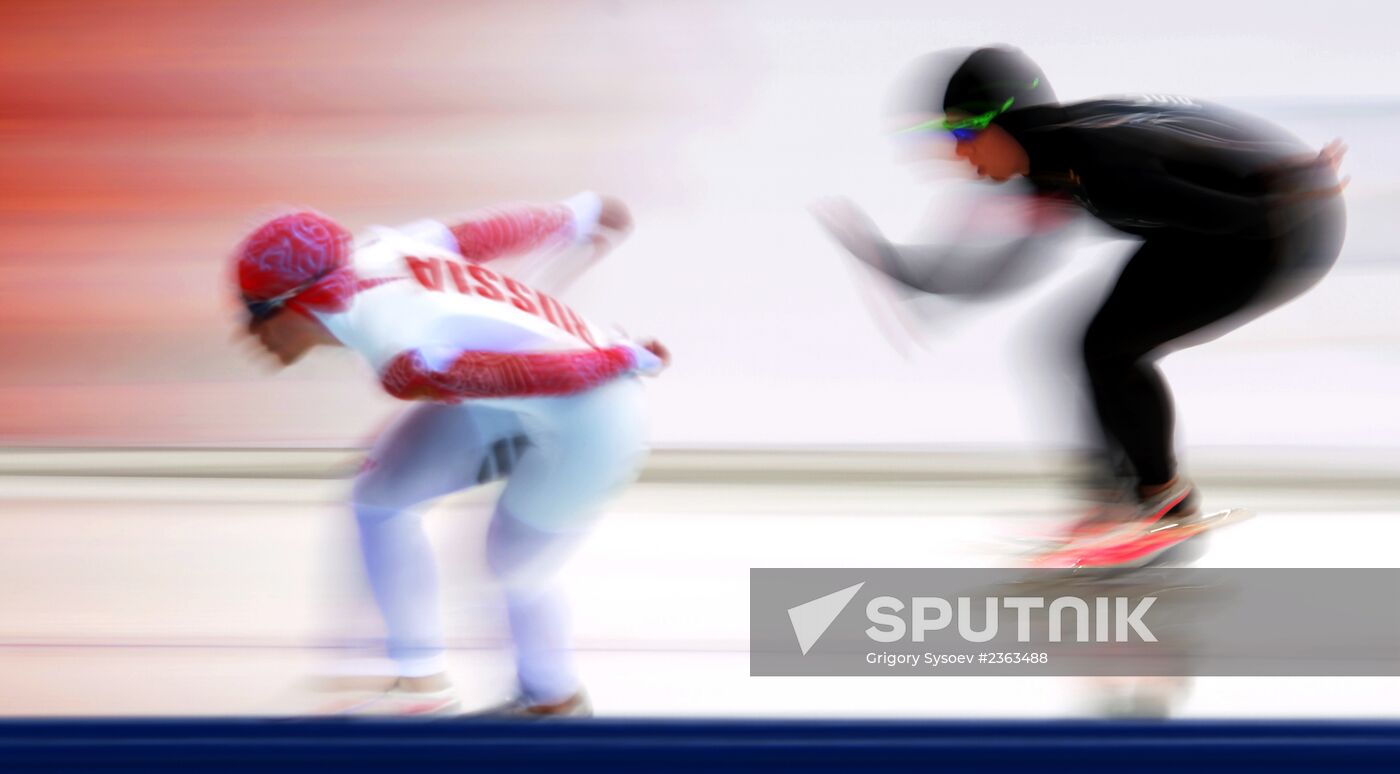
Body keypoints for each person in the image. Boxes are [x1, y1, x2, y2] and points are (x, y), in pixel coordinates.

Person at [813, 45, 1347, 566]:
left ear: (1005, 123)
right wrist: (905, 273)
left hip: (1279, 232)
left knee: (1108, 348)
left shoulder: (1102, 166)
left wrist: (1296, 192)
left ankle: (1157, 504)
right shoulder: (1052, 162)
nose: (955, 153)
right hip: (1223, 225)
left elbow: (1235, 217)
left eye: (960, 133)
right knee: (1093, 346)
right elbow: (1007, 265)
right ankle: (1130, 502)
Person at [233, 192, 668, 715]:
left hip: (599, 411)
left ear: (298, 306)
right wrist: (574, 216)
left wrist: (619, 359)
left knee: (511, 565)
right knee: (380, 495)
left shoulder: (400, 354)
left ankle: (555, 701)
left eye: (254, 311)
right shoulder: (378, 248)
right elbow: (480, 235)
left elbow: (519, 375)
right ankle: (422, 691)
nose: (247, 331)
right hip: (550, 386)